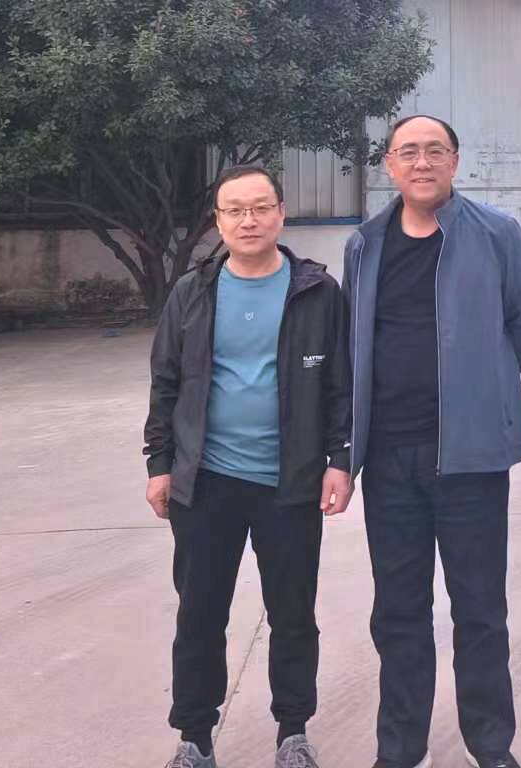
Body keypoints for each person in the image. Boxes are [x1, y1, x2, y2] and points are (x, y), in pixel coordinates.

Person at [343, 115, 521, 768]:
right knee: (399, 613)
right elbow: (355, 340)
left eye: (435, 150)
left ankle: (490, 746)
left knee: (480, 610)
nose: (422, 162)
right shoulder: (364, 244)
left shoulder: (496, 234)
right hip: (389, 461)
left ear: (455, 162)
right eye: (409, 151)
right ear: (389, 165)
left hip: (472, 459)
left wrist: (481, 385)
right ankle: (401, 749)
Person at [144, 164, 353, 768]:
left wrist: (339, 459)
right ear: (218, 221)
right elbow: (165, 382)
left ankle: (293, 732)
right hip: (205, 483)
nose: (249, 220)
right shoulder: (192, 292)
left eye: (260, 207)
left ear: (281, 213)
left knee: (293, 615)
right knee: (200, 614)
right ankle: (194, 738)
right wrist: (160, 463)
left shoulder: (317, 292)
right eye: (234, 210)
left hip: (289, 484)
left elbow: (340, 384)